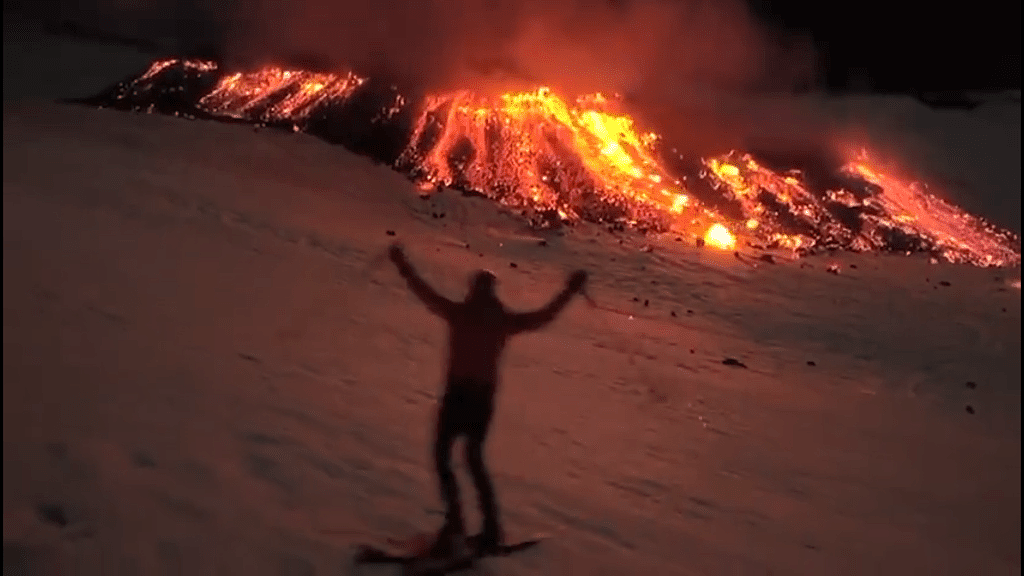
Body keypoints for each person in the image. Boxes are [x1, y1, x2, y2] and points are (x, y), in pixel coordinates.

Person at [388, 243, 588, 558]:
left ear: (475, 290)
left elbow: (423, 291)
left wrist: (402, 265)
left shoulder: (462, 313)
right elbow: (543, 316)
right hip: (478, 400)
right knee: (469, 458)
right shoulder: (498, 319)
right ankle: (483, 528)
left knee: (447, 457)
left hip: (460, 397)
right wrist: (570, 291)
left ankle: (458, 525)